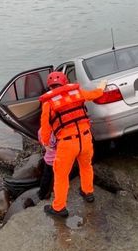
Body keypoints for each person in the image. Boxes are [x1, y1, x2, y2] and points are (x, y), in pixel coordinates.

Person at [39, 71, 107, 218]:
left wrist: (46, 144)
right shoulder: (77, 92)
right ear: (65, 82)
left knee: (61, 175)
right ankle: (88, 193)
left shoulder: (48, 103)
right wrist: (101, 87)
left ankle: (59, 208)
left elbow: (45, 128)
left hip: (67, 144)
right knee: (86, 166)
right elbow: (95, 94)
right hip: (86, 138)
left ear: (50, 86)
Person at [37, 128, 56, 200]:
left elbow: (41, 142)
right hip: (60, 159)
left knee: (46, 177)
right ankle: (53, 191)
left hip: (49, 160)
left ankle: (42, 194)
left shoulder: (41, 131)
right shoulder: (59, 130)